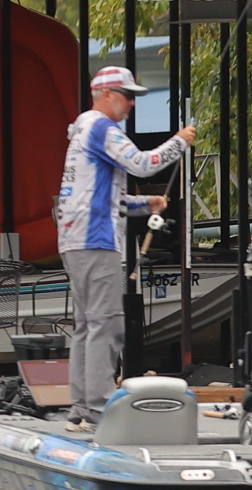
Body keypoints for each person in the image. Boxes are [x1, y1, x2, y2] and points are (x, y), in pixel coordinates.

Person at [57, 66, 196, 432]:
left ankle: (80, 410)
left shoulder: (82, 129)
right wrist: (179, 141)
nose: (132, 104)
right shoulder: (102, 128)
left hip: (75, 240)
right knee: (105, 323)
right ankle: (100, 409)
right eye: (127, 95)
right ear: (106, 95)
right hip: (96, 239)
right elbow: (143, 164)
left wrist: (143, 204)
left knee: (87, 325)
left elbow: (106, 198)